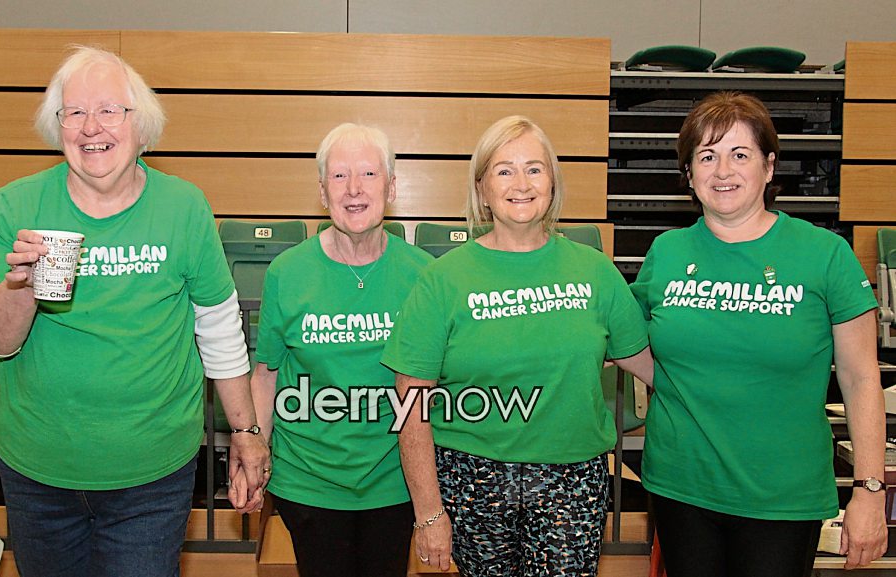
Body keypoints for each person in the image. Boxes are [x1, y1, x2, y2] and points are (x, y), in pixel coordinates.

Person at [0, 46, 270, 577]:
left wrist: (245, 432)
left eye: (108, 110)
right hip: (36, 469)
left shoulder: (184, 207)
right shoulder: (15, 205)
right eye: (74, 112)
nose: (90, 127)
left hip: (153, 473)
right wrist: (20, 286)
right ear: (57, 128)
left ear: (140, 125)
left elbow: (219, 327)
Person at [381, 115, 654, 577]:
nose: (521, 183)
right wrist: (428, 513)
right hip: (472, 479)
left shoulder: (595, 271)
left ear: (552, 182)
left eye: (534, 168)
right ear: (482, 188)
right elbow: (411, 406)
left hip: (572, 482)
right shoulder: (442, 280)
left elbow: (654, 368)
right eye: (504, 170)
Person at [630, 91, 888, 577]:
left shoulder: (825, 254)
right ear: (689, 174)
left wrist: (869, 491)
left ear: (769, 167)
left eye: (740, 154)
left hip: (783, 496)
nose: (722, 170)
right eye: (707, 156)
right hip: (681, 487)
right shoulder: (666, 251)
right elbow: (627, 343)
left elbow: (860, 379)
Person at [250, 123, 433, 577]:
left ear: (391, 187)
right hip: (309, 480)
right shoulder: (286, 273)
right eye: (339, 175)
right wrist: (254, 451)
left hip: (394, 481)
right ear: (322, 191)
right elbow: (266, 375)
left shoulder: (423, 275)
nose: (354, 189)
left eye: (369, 174)